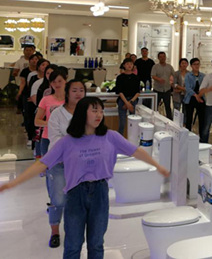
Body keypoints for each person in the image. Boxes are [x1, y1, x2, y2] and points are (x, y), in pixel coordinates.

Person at [0, 97, 169, 258]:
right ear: (82, 113)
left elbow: (136, 151)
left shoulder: (110, 136)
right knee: (73, 245)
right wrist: (14, 182)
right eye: (94, 110)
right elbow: (42, 164)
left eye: (101, 111)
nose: (99, 115)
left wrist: (157, 165)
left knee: (96, 244)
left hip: (100, 193)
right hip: (75, 194)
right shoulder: (67, 141)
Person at [45, 79, 86, 248]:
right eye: (74, 90)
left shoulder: (88, 112)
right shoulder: (57, 114)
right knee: (58, 199)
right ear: (67, 93)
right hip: (59, 162)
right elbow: (55, 139)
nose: (78, 93)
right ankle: (55, 232)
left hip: (81, 164)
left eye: (81, 90)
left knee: (77, 200)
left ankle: (73, 231)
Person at [35, 68, 68, 155]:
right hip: (48, 138)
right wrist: (52, 124)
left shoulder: (71, 100)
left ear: (65, 81)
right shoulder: (46, 99)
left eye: (60, 81)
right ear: (50, 83)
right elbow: (37, 121)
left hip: (67, 138)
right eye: (54, 82)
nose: (57, 84)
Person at [113, 58, 141, 135]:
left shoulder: (136, 77)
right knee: (122, 123)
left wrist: (130, 102)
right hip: (122, 100)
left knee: (133, 123)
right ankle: (120, 139)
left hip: (133, 101)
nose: (129, 65)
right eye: (127, 64)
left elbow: (137, 92)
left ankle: (132, 139)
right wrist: (127, 103)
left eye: (131, 64)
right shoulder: (120, 77)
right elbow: (120, 92)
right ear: (124, 65)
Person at [183, 58, 205, 132]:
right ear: (191, 66)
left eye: (198, 64)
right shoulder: (188, 75)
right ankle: (188, 134)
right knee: (189, 118)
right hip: (190, 98)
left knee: (202, 118)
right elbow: (188, 88)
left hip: (201, 97)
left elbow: (205, 86)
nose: (196, 66)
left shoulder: (203, 76)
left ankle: (201, 135)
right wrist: (195, 95)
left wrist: (200, 95)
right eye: (194, 64)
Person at [151, 51, 174, 119]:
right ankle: (154, 118)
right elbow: (153, 76)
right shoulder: (155, 67)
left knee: (168, 106)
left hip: (167, 89)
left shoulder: (169, 66)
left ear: (165, 57)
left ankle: (170, 120)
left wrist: (172, 81)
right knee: (155, 106)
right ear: (158, 58)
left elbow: (174, 75)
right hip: (157, 89)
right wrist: (159, 79)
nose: (162, 58)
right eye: (160, 57)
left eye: (164, 56)